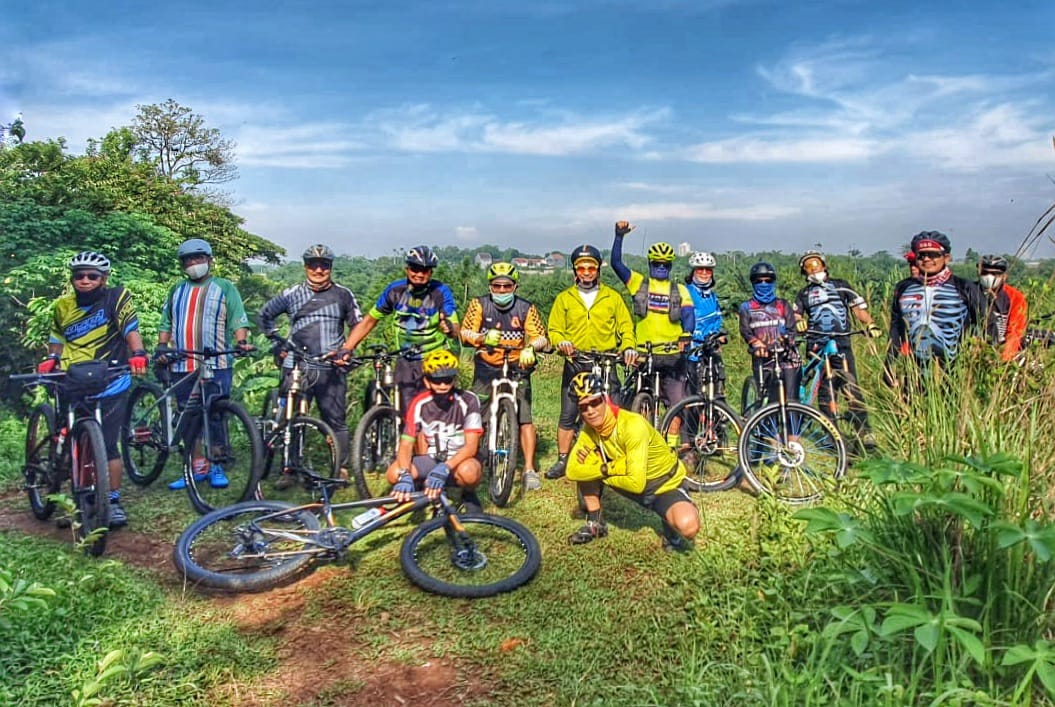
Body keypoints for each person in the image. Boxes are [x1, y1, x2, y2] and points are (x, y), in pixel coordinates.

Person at [37, 251, 149, 528]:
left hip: (111, 378)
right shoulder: (62, 306)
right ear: (72, 279)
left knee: (108, 445)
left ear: (104, 278)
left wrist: (138, 353)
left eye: (92, 276)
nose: (85, 281)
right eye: (79, 276)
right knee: (70, 439)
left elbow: (130, 328)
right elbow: (57, 338)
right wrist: (51, 358)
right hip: (72, 379)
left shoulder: (117, 297)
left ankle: (111, 500)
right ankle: (79, 497)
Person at [259, 244, 362, 483]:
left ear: (330, 267)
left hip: (330, 366)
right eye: (313, 265)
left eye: (324, 265)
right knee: (292, 418)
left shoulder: (343, 294)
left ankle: (340, 467)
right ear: (305, 266)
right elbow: (265, 315)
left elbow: (357, 324)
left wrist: (347, 350)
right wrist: (277, 342)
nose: (319, 270)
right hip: (297, 365)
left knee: (336, 420)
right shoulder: (292, 293)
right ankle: (290, 469)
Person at [564, 371, 700, 551]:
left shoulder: (631, 425)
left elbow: (636, 484)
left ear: (605, 399)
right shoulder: (589, 430)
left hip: (663, 484)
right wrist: (608, 468)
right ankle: (596, 524)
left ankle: (672, 527)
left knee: (688, 526)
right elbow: (572, 470)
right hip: (629, 478)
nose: (590, 411)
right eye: (583, 407)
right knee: (586, 465)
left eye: (595, 402)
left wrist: (600, 471)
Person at [158, 238, 254, 490]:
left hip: (217, 362)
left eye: (198, 259)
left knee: (215, 413)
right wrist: (161, 346)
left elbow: (238, 319)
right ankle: (195, 466)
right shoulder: (176, 289)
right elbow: (165, 322)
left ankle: (217, 464)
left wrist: (241, 342)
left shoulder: (224, 287)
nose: (193, 264)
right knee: (188, 416)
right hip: (183, 363)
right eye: (188, 260)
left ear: (209, 261)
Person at [545, 243, 636, 479]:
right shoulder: (564, 298)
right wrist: (562, 342)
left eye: (591, 268)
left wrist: (628, 346)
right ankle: (563, 458)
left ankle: (615, 455)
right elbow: (554, 329)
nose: (586, 272)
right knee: (569, 412)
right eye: (581, 268)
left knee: (612, 411)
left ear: (598, 270)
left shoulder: (612, 297)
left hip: (606, 362)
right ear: (575, 271)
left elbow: (626, 328)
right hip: (576, 361)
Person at [460, 262, 550, 491]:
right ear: (490, 286)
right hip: (487, 366)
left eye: (506, 286)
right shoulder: (479, 304)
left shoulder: (525, 308)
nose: (501, 290)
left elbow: (541, 336)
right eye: (496, 286)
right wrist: (481, 338)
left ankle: (529, 469)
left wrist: (532, 347)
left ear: (515, 286)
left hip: (518, 365)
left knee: (525, 418)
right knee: (476, 415)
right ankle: (475, 458)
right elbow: (465, 332)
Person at [342, 245, 460, 412]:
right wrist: (347, 348)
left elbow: (455, 327)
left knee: (435, 413)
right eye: (415, 269)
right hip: (405, 359)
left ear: (431, 272)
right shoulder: (395, 290)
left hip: (434, 359)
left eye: (425, 270)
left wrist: (448, 327)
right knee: (407, 414)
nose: (419, 274)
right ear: (407, 269)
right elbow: (369, 320)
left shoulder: (440, 291)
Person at [610, 222, 693, 445]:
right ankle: (636, 443)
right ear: (650, 264)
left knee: (676, 403)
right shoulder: (639, 283)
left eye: (665, 265)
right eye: (657, 264)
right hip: (643, 353)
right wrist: (619, 236)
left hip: (672, 355)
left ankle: (672, 448)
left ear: (670, 266)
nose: (661, 268)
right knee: (634, 398)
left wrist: (687, 335)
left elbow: (688, 317)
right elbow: (616, 264)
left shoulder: (680, 290)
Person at [792, 250, 882, 449]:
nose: (813, 269)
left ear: (824, 266)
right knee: (825, 392)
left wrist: (870, 324)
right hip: (816, 344)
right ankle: (832, 434)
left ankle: (864, 431)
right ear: (804, 271)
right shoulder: (804, 293)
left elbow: (858, 310)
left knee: (851, 388)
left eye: (816, 264)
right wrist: (799, 322)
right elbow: (797, 314)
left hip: (840, 344)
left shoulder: (842, 287)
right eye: (808, 266)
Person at [388, 349, 484, 513]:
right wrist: (405, 474)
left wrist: (446, 467)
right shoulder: (419, 403)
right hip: (431, 458)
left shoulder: (469, 400)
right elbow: (406, 443)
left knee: (470, 473)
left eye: (447, 380)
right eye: (436, 380)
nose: (443, 385)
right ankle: (420, 485)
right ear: (426, 381)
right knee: (394, 473)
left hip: (459, 459)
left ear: (454, 379)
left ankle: (468, 494)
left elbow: (471, 446)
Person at [887, 231, 985, 372]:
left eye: (933, 254)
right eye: (921, 255)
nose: (926, 259)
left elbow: (987, 323)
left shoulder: (965, 287)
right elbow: (896, 330)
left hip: (956, 369)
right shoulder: (904, 288)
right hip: (914, 371)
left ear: (946, 258)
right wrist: (889, 364)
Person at [739, 262, 800, 404]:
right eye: (759, 281)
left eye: (768, 280)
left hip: (787, 358)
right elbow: (745, 330)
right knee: (768, 400)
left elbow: (792, 329)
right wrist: (755, 343)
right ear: (753, 283)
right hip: (763, 359)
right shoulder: (746, 307)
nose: (763, 284)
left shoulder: (783, 304)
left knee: (791, 400)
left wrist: (787, 341)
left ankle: (792, 426)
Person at [683, 251, 726, 397]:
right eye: (700, 269)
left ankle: (717, 415)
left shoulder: (712, 296)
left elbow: (717, 319)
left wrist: (718, 335)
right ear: (693, 272)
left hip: (710, 349)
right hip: (692, 351)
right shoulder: (686, 292)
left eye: (708, 270)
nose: (704, 273)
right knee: (692, 392)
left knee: (717, 386)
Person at [977, 254, 1028, 362]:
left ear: (1004, 276)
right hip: (975, 349)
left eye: (996, 274)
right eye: (985, 272)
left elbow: (1015, 332)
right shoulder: (970, 292)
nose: (989, 276)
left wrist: (1003, 360)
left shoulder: (1015, 297)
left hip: (1003, 349)